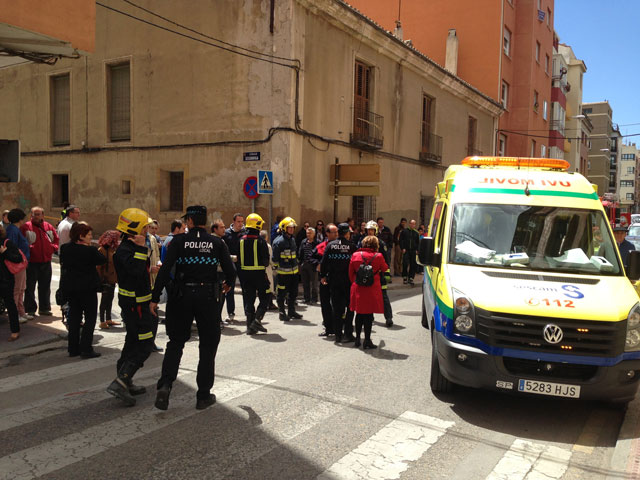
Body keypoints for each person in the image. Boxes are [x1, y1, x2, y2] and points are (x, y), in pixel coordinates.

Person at [151, 205, 235, 411]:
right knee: (207, 345)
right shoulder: (217, 242)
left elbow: (164, 271)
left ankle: (165, 385)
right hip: (207, 297)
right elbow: (230, 271)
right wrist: (227, 283)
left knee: (176, 343)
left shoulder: (178, 242)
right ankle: (203, 395)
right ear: (204, 222)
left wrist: (155, 297)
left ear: (188, 221)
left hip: (181, 296)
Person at [106, 208, 156, 407]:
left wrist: (149, 268)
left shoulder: (128, 249)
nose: (147, 230)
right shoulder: (129, 250)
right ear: (134, 229)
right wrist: (142, 248)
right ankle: (121, 381)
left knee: (132, 341)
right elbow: (134, 272)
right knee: (144, 344)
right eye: (145, 227)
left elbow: (136, 272)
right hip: (137, 307)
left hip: (137, 305)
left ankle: (125, 380)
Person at [59, 222, 106, 359]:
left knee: (74, 318)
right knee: (90, 318)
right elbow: (102, 260)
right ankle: (86, 348)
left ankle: (73, 348)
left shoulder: (65, 248)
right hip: (87, 289)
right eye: (89, 235)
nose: (91, 237)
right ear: (81, 236)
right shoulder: (89, 250)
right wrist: (91, 248)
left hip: (72, 288)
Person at [349, 235, 388, 349]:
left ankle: (357, 339)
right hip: (372, 289)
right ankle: (367, 340)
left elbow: (350, 273)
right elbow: (385, 268)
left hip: (358, 288)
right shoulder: (379, 256)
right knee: (369, 315)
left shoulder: (355, 255)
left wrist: (356, 282)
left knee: (359, 313)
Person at [321, 222, 357, 343]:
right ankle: (348, 333)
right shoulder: (352, 246)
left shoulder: (331, 245)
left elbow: (324, 263)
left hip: (334, 282)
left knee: (337, 309)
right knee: (350, 308)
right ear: (347, 233)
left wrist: (323, 276)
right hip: (349, 282)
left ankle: (338, 335)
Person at [21, 206, 59, 317]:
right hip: (32, 262)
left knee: (45, 286)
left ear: (43, 215)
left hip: (46, 261)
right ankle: (30, 309)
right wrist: (30, 248)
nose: (36, 216)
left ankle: (44, 308)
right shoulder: (25, 227)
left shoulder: (48, 227)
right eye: (34, 214)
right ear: (30, 215)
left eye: (38, 214)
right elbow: (22, 243)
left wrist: (53, 248)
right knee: (29, 287)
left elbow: (56, 239)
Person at [238, 213, 270, 335]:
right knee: (265, 297)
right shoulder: (261, 241)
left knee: (249, 299)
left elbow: (239, 258)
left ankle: (250, 327)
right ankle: (257, 320)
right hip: (259, 275)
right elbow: (266, 261)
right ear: (257, 225)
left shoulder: (241, 240)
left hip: (245, 275)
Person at [272, 216, 303, 321]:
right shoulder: (278, 242)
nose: (292, 229)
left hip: (294, 272)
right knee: (281, 293)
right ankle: (282, 312)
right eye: (289, 227)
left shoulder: (292, 240)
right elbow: (274, 258)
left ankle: (291, 311)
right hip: (283, 273)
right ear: (284, 228)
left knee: (293, 293)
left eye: (293, 227)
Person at [365, 220, 394, 327]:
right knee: (368, 297)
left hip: (379, 274)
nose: (370, 232)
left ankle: (389, 318)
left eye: (372, 230)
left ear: (376, 230)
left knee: (384, 296)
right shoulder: (363, 242)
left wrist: (386, 274)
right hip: (367, 274)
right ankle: (370, 317)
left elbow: (386, 260)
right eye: (368, 230)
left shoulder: (380, 243)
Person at [6, 209, 31, 324]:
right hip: (18, 264)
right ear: (19, 219)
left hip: (22, 263)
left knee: (21, 289)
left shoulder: (14, 229)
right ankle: (16, 313)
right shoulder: (13, 230)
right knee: (17, 289)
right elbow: (13, 247)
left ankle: (21, 312)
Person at [313, 223, 338, 336]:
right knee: (325, 303)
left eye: (337, 232)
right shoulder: (321, 246)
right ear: (327, 234)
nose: (336, 234)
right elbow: (310, 257)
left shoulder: (340, 246)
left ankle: (338, 326)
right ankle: (328, 328)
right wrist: (317, 264)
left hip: (337, 279)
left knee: (337, 303)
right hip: (324, 279)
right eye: (333, 232)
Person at [0, 224, 22, 341]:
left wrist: (5, 252)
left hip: (5, 279)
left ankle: (15, 330)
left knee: (10, 304)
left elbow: (18, 258)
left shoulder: (6, 243)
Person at [223, 213, 246, 322]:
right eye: (238, 221)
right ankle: (230, 313)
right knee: (230, 289)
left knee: (245, 288)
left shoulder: (245, 233)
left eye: (242, 221)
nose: (241, 224)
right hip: (230, 265)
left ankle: (248, 312)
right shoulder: (226, 233)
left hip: (243, 264)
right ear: (233, 222)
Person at [96, 230, 121, 329]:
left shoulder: (112, 249)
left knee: (110, 299)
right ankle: (102, 321)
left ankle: (108, 319)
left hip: (112, 279)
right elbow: (99, 267)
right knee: (104, 301)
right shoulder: (102, 250)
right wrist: (100, 279)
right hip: (106, 279)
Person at [298, 226, 319, 304]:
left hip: (313, 265)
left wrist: (317, 263)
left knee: (314, 283)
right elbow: (300, 252)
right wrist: (300, 263)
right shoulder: (303, 241)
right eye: (307, 233)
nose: (308, 235)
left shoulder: (317, 243)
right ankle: (306, 298)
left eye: (310, 233)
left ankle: (314, 298)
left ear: (314, 234)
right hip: (304, 264)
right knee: (305, 283)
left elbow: (319, 254)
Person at [260, 229, 278, 311]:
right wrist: (274, 266)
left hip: (259, 269)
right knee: (269, 286)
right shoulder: (267, 246)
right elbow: (270, 258)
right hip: (267, 268)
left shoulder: (257, 244)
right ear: (266, 237)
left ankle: (266, 303)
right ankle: (269, 303)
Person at [400, 219, 420, 285]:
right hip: (406, 250)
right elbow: (401, 240)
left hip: (413, 251)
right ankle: (405, 277)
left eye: (414, 224)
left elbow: (418, 242)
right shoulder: (404, 231)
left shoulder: (416, 233)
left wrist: (417, 250)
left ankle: (411, 278)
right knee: (405, 263)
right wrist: (402, 248)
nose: (413, 225)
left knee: (413, 264)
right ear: (409, 224)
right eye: (411, 223)